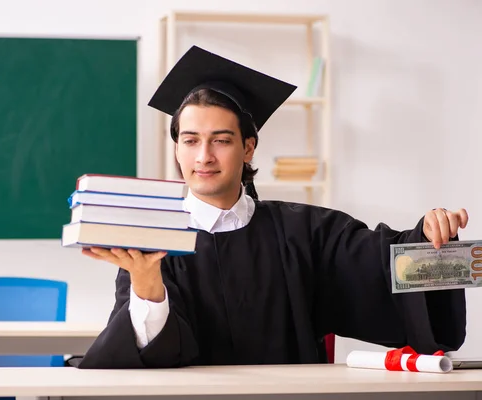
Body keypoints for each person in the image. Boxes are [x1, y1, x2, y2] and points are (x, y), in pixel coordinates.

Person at [67, 46, 469, 369]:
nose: (203, 155)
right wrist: (148, 285)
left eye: (220, 140)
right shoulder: (151, 241)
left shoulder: (305, 232)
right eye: (190, 140)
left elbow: (382, 264)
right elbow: (141, 354)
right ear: (177, 148)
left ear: (248, 147)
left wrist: (435, 236)